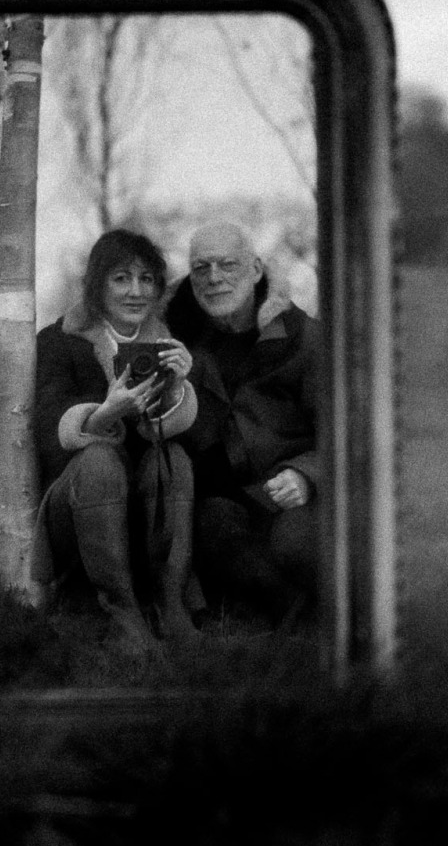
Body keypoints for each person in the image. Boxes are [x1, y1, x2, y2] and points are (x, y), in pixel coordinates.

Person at [33, 228, 201, 651]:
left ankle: (171, 606)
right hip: (75, 505)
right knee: (100, 461)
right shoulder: (58, 341)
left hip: (140, 511)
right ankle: (122, 615)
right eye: (121, 278)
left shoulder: (167, 343)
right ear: (97, 285)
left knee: (175, 458)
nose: (136, 291)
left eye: (147, 279)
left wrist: (179, 387)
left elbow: (192, 440)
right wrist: (107, 413)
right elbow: (49, 436)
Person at [165, 222, 319, 624]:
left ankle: (312, 627)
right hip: (227, 500)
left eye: (227, 265)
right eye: (201, 268)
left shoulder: (303, 337)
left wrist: (306, 476)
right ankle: (290, 624)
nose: (214, 278)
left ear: (256, 269)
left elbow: (346, 430)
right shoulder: (179, 341)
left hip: (297, 494)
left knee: (295, 545)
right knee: (212, 526)